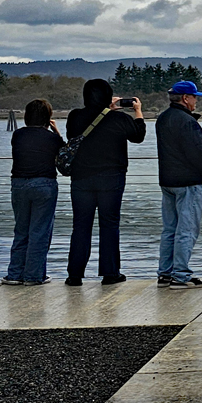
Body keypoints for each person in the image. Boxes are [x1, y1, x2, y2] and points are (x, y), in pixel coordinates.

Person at [65, 78, 145, 285]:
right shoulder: (118, 119)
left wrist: (104, 110)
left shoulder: (75, 117)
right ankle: (110, 273)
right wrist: (137, 111)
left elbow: (71, 135)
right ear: (109, 96)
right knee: (109, 224)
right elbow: (138, 136)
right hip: (111, 178)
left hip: (81, 178)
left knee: (81, 225)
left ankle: (75, 274)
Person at [156, 80, 202, 289]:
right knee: (187, 230)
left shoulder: (163, 119)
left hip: (168, 180)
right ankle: (180, 275)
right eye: (194, 97)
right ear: (185, 98)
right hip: (189, 182)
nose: (196, 101)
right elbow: (197, 153)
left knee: (169, 229)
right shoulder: (187, 122)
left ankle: (165, 273)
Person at [6, 99, 63, 285]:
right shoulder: (52, 138)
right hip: (44, 184)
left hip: (19, 183)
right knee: (40, 231)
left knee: (21, 230)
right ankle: (34, 276)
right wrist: (56, 132)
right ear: (48, 117)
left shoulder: (18, 135)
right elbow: (64, 153)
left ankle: (14, 274)